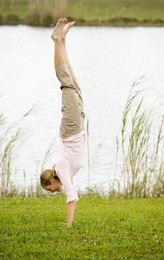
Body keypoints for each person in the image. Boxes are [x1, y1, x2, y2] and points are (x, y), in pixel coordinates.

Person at [40, 18, 85, 228]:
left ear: (52, 181)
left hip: (72, 128)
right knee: (72, 83)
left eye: (51, 189)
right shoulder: (62, 170)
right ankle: (62, 40)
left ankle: (57, 39)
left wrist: (68, 226)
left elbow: (72, 199)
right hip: (75, 128)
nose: (54, 191)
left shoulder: (63, 172)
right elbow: (71, 194)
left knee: (65, 81)